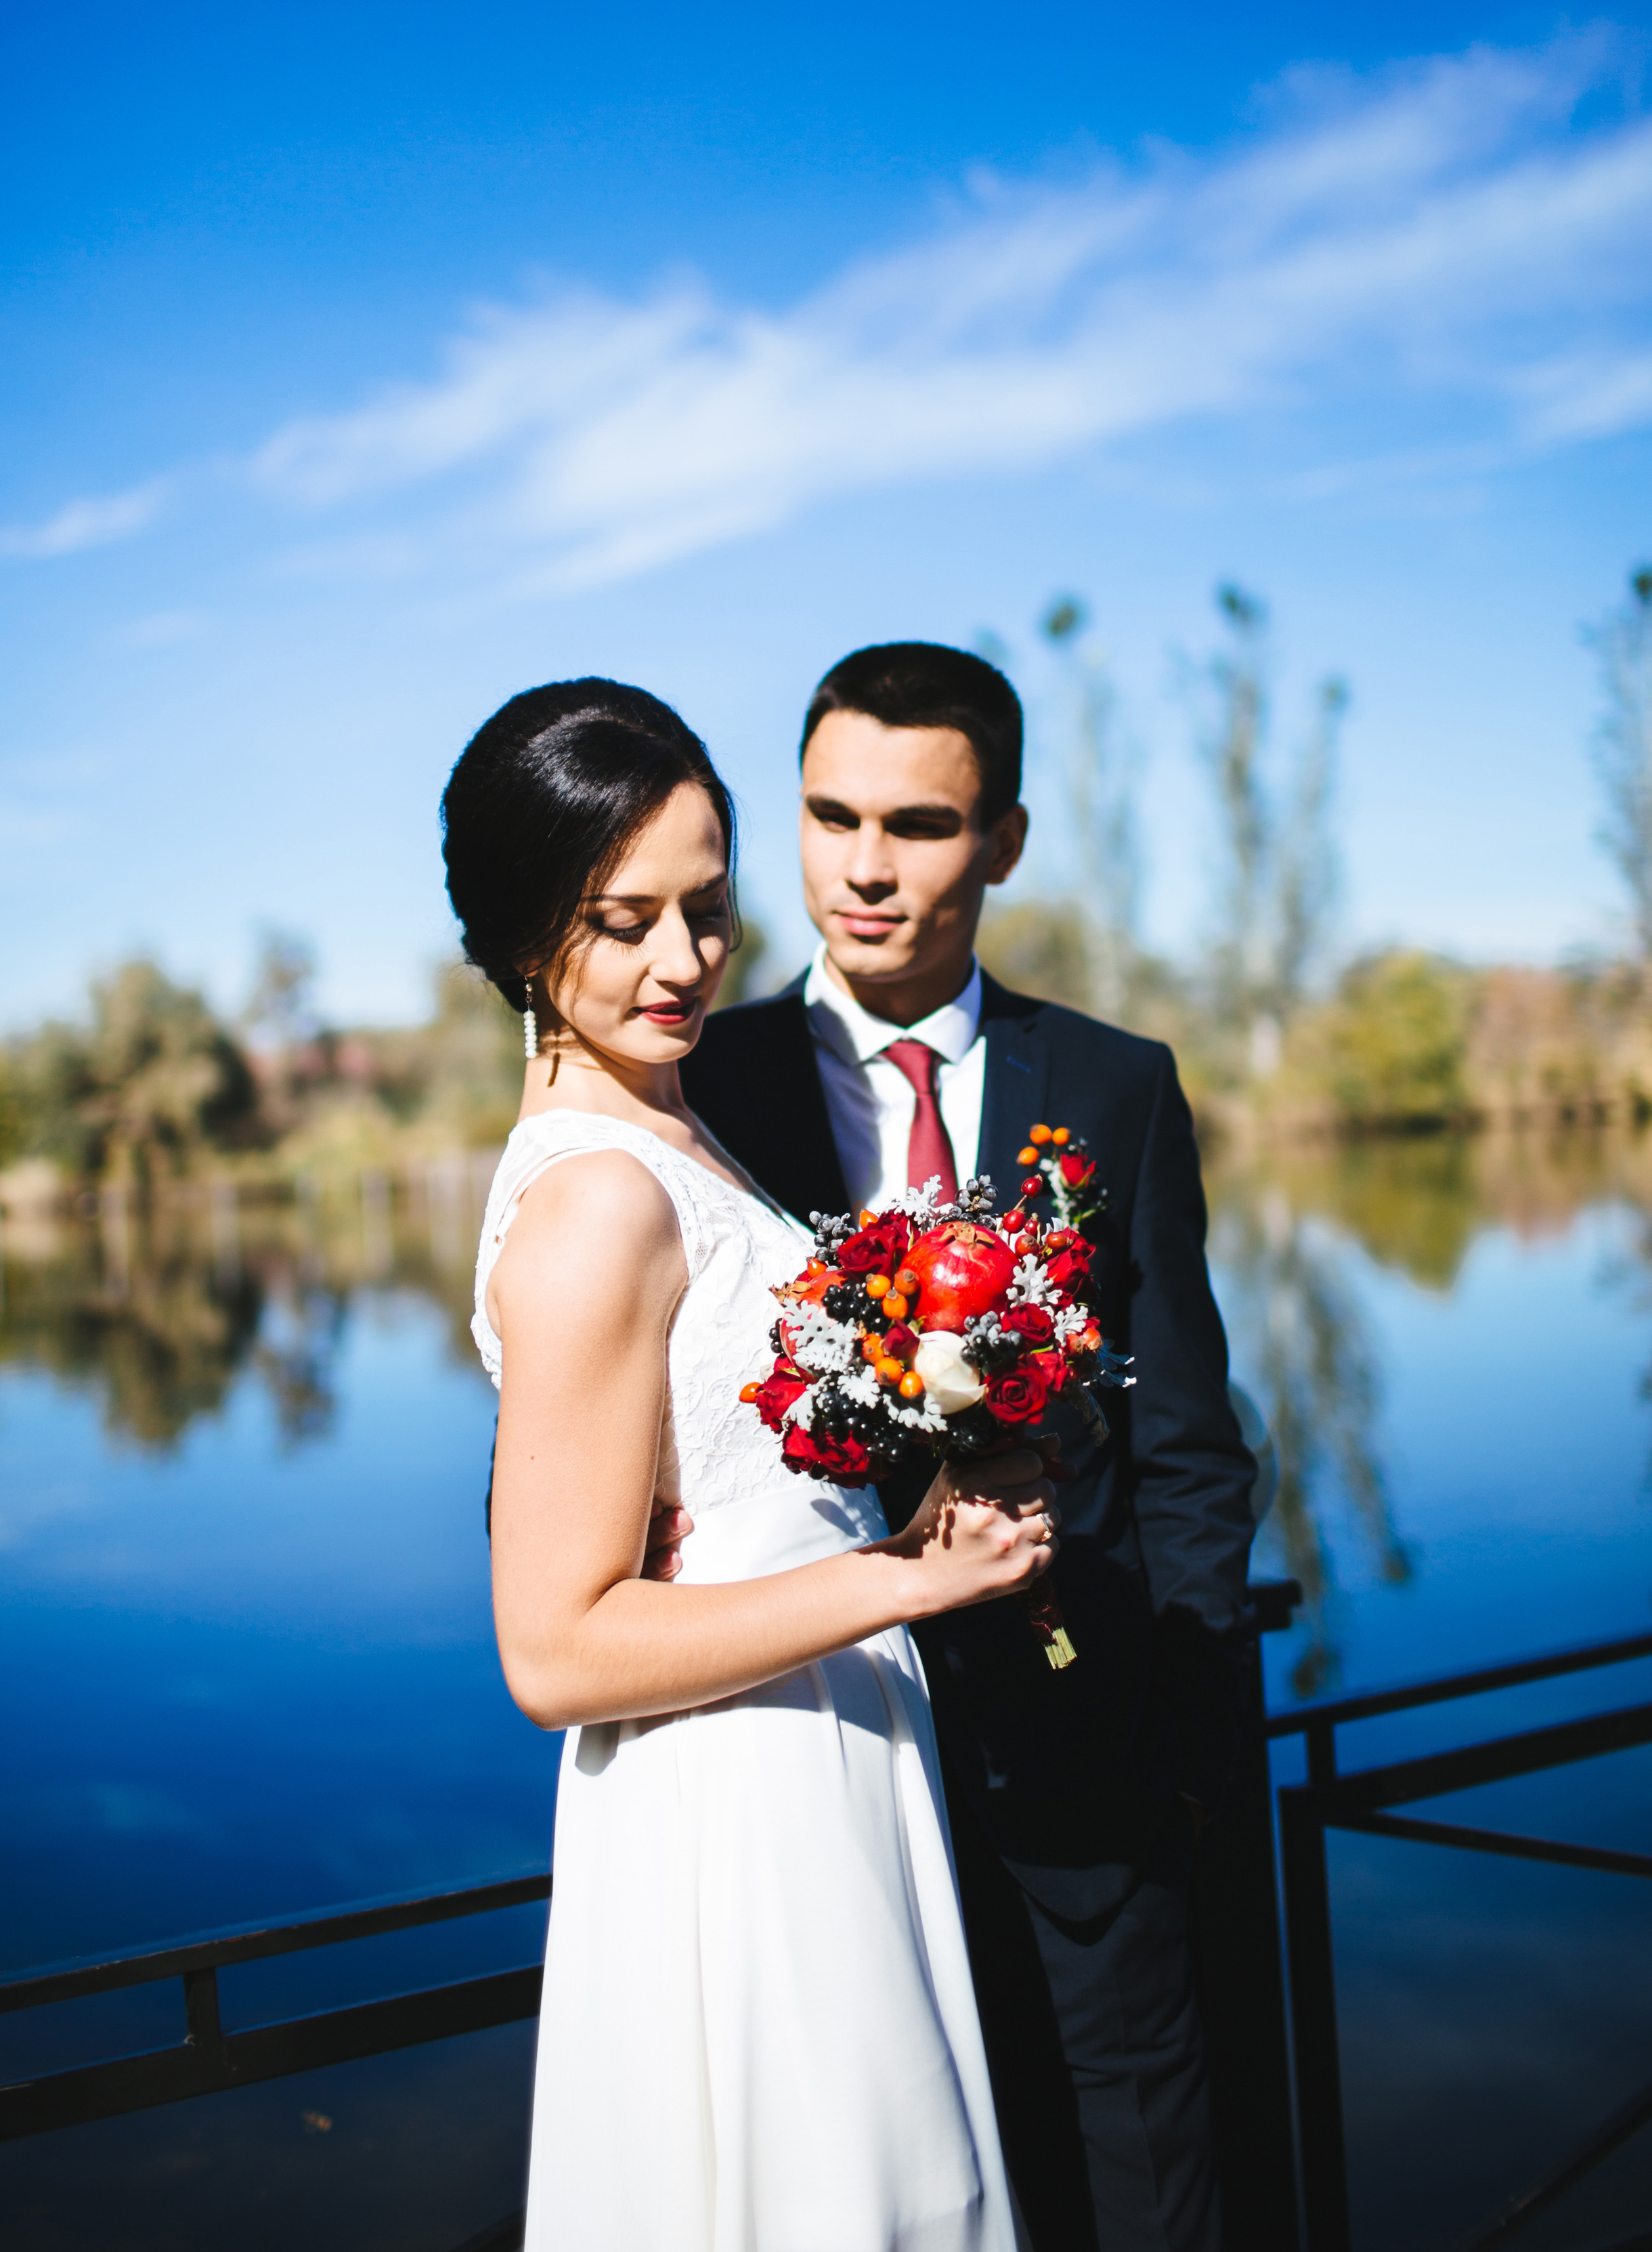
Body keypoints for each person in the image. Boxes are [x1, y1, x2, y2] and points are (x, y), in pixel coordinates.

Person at [446, 675, 1059, 2252]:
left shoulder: (673, 1126)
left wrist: (892, 1492)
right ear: (526, 937)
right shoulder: (596, 1203)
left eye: (705, 909)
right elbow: (555, 1644)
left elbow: (721, 1481)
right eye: (619, 918)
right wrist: (893, 1577)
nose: (680, 961)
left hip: (824, 1737)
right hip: (740, 1797)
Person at [679, 643, 1257, 2252]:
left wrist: (1189, 1733)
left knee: (1145, 2175)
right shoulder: (698, 1090)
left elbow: (1192, 1436)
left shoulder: (1116, 1087)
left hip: (1087, 1757)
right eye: (828, 815)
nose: (863, 868)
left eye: (918, 826)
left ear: (1001, 839)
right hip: (822, 1749)